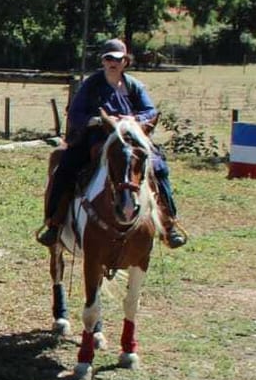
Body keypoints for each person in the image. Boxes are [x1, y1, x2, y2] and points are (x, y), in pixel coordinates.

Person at [37, 38, 187, 250]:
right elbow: (75, 113)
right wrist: (96, 120)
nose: (113, 62)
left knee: (159, 167)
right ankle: (54, 223)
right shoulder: (91, 85)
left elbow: (150, 111)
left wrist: (130, 121)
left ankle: (169, 223)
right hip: (96, 137)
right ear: (103, 61)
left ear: (125, 61)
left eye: (117, 59)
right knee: (65, 168)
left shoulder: (133, 85)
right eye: (108, 58)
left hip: (130, 138)